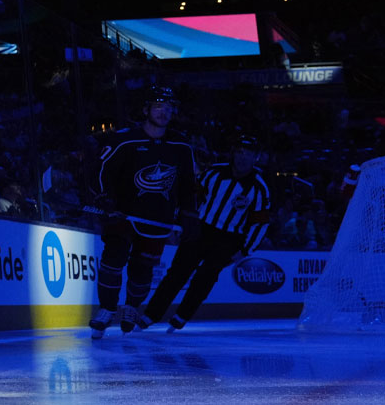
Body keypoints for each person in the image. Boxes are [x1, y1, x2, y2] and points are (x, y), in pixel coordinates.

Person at [88, 85, 197, 339]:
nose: (164, 112)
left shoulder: (181, 146)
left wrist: (189, 214)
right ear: (146, 109)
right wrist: (105, 200)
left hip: (158, 218)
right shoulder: (124, 139)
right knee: (112, 260)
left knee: (142, 269)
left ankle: (131, 308)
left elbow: (189, 184)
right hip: (122, 215)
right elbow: (100, 171)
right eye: (158, 106)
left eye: (169, 107)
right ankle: (106, 309)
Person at [139, 134, 272, 332]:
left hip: (228, 239)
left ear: (256, 158)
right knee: (177, 273)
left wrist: (245, 250)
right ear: (234, 154)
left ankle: (181, 317)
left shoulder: (260, 188)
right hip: (200, 229)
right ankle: (150, 315)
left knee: (205, 277)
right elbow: (190, 199)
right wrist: (180, 224)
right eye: (240, 152)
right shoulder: (214, 173)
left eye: (249, 153)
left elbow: (260, 225)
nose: (243, 157)